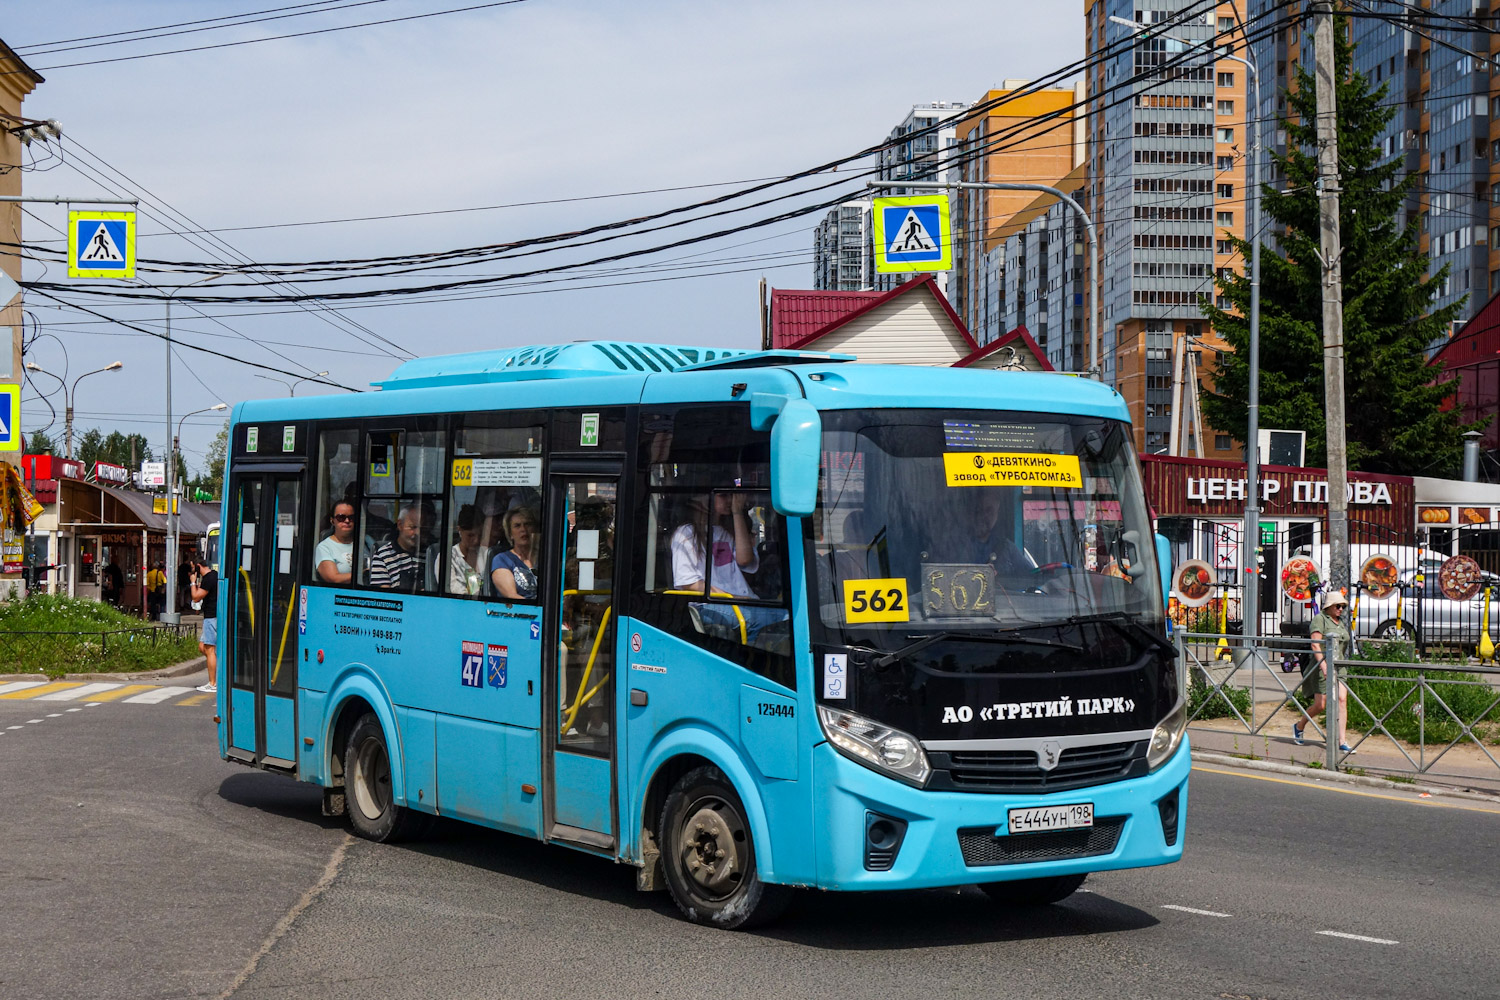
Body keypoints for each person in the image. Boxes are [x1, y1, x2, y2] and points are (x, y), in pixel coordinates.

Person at [671, 492, 785, 642]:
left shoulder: (729, 530)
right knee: (774, 618)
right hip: (710, 604)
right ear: (703, 498)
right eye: (724, 495)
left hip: (739, 602)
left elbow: (744, 560)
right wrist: (731, 597)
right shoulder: (687, 533)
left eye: (732, 496)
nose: (730, 500)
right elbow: (688, 582)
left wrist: (737, 513)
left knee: (782, 616)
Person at [1296, 589, 1356, 753]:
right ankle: (1299, 726)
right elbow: (1315, 644)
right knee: (1320, 705)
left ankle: (1341, 740)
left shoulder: (1339, 621)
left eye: (1342, 606)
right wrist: (1324, 667)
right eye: (1338, 606)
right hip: (1322, 665)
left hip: (1340, 665)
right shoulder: (1320, 619)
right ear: (1329, 606)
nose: (1340, 609)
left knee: (1342, 700)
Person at [367, 504, 426, 590]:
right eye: (413, 527)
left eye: (421, 528)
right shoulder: (382, 556)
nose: (417, 533)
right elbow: (383, 596)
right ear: (400, 525)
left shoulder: (427, 554)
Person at [490, 505, 539, 600]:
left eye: (527, 524)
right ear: (510, 533)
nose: (523, 529)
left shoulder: (546, 557)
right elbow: (512, 596)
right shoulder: (502, 560)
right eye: (517, 526)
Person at [190, 556, 219, 694]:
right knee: (202, 647)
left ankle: (212, 683)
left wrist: (192, 583)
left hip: (211, 617)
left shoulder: (208, 579)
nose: (192, 571)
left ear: (198, 566)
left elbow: (196, 596)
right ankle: (215, 671)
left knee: (209, 650)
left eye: (192, 568)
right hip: (212, 616)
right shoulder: (214, 575)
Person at [448, 503, 489, 596]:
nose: (476, 541)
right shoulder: (448, 558)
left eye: (480, 535)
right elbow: (453, 589)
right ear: (459, 530)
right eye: (470, 535)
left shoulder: (486, 553)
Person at [315, 501, 356, 585]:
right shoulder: (324, 547)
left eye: (351, 517)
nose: (347, 521)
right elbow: (333, 578)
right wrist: (363, 575)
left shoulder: (366, 541)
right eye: (341, 517)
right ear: (332, 521)